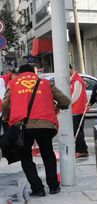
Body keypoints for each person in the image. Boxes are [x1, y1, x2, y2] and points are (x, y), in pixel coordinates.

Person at [2, 64, 70, 196]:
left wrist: (6, 117)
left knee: (26, 158)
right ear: (34, 72)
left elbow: (6, 104)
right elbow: (65, 101)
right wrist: (58, 107)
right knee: (48, 155)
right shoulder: (45, 82)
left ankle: (38, 189)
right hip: (45, 124)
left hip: (23, 126)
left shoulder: (13, 83)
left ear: (19, 73)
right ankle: (53, 186)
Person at [70, 66, 90, 157]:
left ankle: (82, 150)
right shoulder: (73, 80)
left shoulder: (77, 80)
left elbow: (75, 96)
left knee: (77, 131)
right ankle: (80, 149)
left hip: (77, 109)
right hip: (75, 109)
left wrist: (66, 103)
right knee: (76, 130)